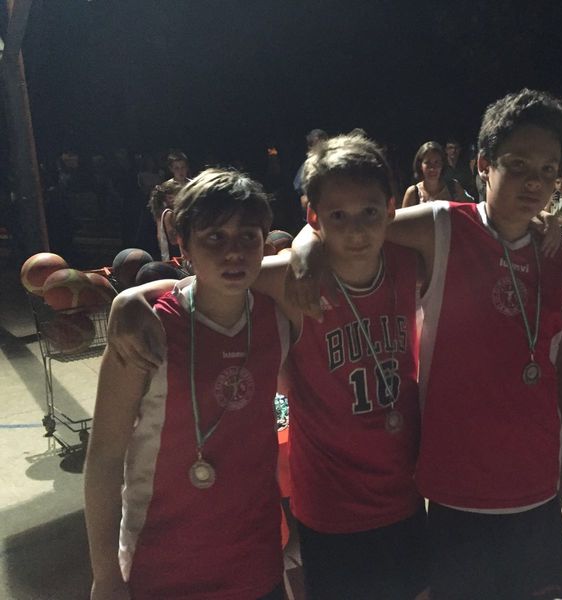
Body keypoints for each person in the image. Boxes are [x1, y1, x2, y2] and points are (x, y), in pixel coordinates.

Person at [105, 135, 429, 600]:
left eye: (369, 213)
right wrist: (131, 297)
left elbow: (465, 222)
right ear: (313, 215)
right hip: (331, 506)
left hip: (404, 491)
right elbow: (215, 278)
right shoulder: (287, 281)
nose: (356, 230)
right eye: (337, 216)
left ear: (391, 208)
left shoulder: (410, 261)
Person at [289, 88, 562, 600]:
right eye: (517, 165)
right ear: (483, 164)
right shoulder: (443, 226)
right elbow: (354, 222)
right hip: (455, 489)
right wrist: (305, 246)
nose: (534, 182)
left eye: (547, 169)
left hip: (534, 483)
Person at [84, 169, 286, 599]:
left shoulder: (279, 316)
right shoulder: (147, 330)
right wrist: (105, 575)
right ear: (183, 244)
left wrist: (127, 295)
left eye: (247, 237)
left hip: (257, 562)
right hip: (163, 570)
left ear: (265, 244)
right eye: (214, 237)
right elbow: (104, 457)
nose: (234, 252)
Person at [401, 141, 469, 207]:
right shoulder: (413, 193)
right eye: (427, 163)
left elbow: (469, 210)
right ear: (420, 165)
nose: (432, 168)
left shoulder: (454, 188)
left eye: (436, 162)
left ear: (442, 164)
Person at [293, 128, 329, 214]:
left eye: (323, 144)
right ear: (310, 147)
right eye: (317, 144)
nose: (320, 147)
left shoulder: (333, 161)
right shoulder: (308, 164)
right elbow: (299, 187)